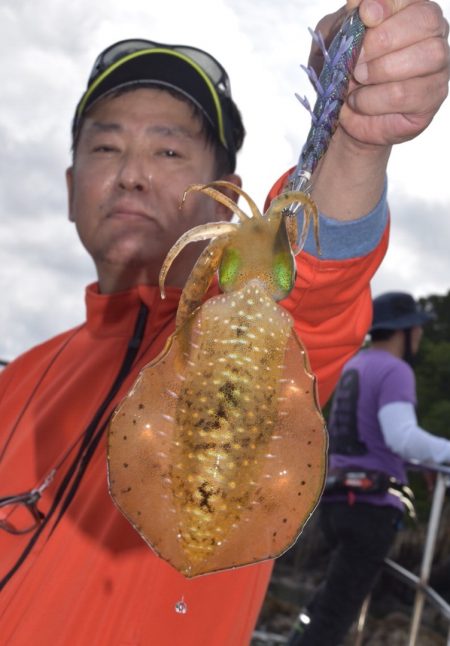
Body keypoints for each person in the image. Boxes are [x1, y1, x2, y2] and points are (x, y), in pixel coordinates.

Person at [0, 0, 449, 643]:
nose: (131, 175)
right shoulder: (16, 380)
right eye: (106, 146)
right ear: (71, 184)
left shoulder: (241, 310)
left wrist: (353, 141)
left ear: (223, 186)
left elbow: (313, 285)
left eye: (168, 149)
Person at [287, 291, 450, 646]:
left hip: (333, 501)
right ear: (401, 332)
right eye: (416, 329)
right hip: (369, 509)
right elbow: (401, 437)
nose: (420, 336)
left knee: (330, 596)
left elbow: (366, 434)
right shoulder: (395, 370)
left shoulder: (355, 364)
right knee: (336, 613)